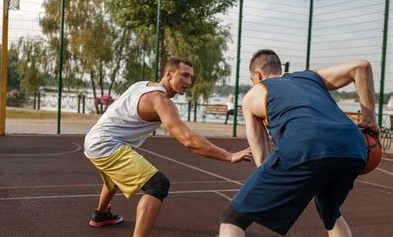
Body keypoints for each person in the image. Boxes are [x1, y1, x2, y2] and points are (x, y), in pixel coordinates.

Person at [84, 57, 253, 237]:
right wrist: (229, 155)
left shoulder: (143, 85)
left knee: (116, 175)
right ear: (169, 74)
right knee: (157, 184)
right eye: (184, 76)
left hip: (96, 139)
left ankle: (101, 214)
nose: (188, 82)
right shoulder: (161, 101)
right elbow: (188, 140)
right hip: (105, 144)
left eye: (190, 77)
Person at [219, 49, 381, 237]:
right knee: (331, 214)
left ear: (257, 75)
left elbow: (262, 160)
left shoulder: (254, 93)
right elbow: (361, 67)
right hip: (354, 145)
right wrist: (370, 120)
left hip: (305, 143)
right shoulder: (310, 76)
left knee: (232, 218)